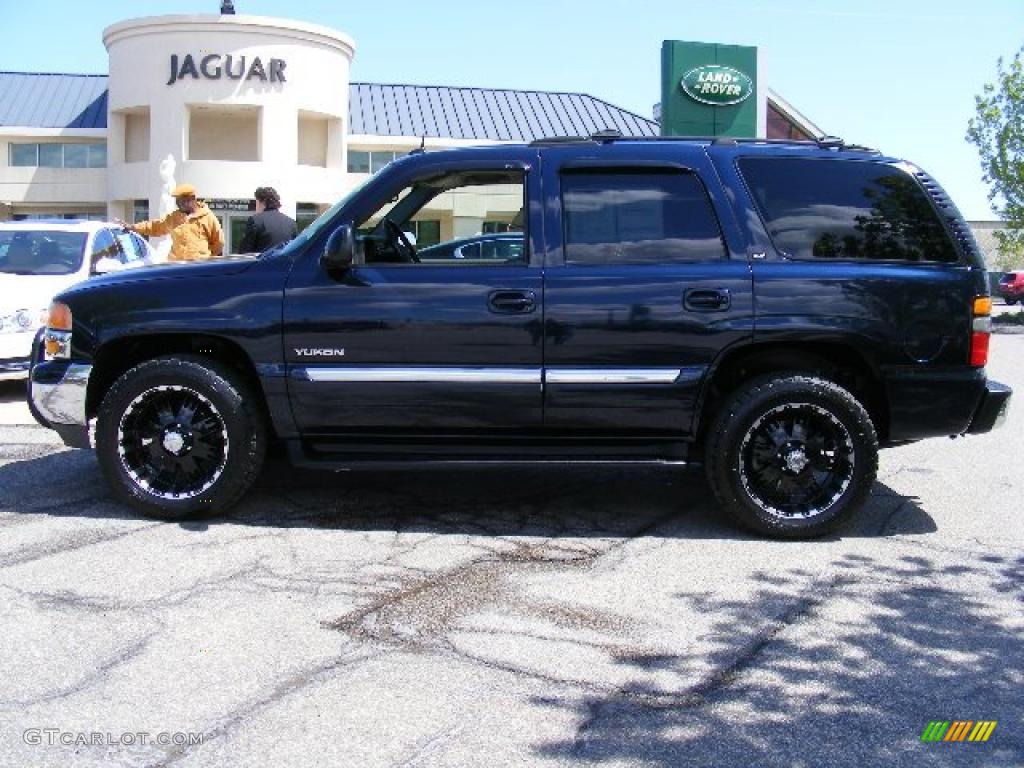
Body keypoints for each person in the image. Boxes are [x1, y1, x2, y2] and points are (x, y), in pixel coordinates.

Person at [117, 183, 224, 262]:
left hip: (199, 267)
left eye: (182, 201)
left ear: (192, 199)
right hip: (176, 266)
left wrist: (204, 257)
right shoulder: (174, 217)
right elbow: (156, 227)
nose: (178, 204)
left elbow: (218, 243)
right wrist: (133, 227)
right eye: (177, 201)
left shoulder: (208, 217)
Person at [237, 186, 297, 253]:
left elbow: (244, 251)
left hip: (263, 263)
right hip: (285, 263)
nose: (256, 207)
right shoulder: (291, 223)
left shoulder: (255, 220)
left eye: (256, 203)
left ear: (262, 202)